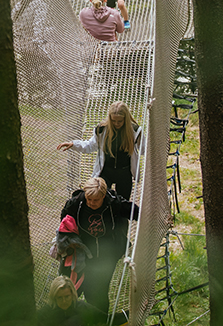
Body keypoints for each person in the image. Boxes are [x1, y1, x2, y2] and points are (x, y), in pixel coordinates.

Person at [57, 177, 139, 315]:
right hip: (83, 252)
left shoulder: (113, 203)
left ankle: (100, 319)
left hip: (107, 254)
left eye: (96, 200)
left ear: (103, 196)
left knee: (98, 291)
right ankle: (71, 319)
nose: (91, 203)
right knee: (76, 286)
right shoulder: (76, 203)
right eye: (89, 199)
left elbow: (134, 211)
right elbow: (64, 221)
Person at [57, 101, 142, 200]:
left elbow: (145, 148)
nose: (116, 124)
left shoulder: (134, 131)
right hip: (106, 172)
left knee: (123, 202)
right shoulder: (102, 130)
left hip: (124, 172)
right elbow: (90, 145)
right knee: (102, 199)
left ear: (125, 119)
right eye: (113, 120)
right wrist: (74, 144)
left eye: (120, 121)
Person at [37, 275, 106, 326]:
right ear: (54, 297)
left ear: (72, 295)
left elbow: (106, 319)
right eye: (60, 298)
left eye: (67, 297)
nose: (64, 301)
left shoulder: (82, 307)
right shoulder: (46, 313)